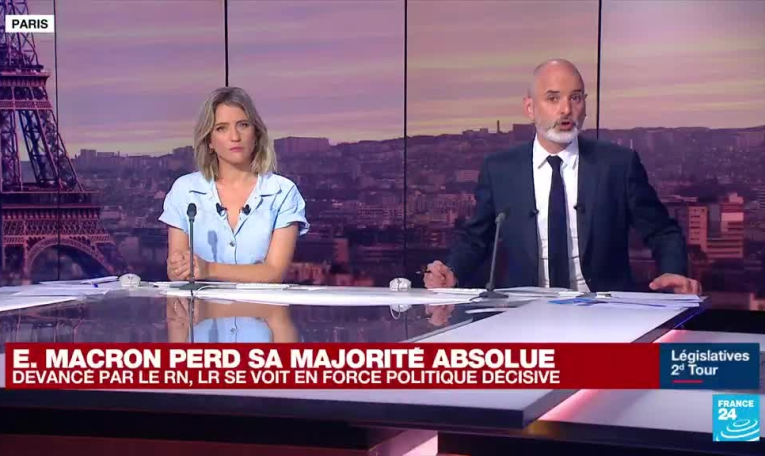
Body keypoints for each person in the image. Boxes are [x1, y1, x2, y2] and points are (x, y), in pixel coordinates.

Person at [425, 59, 701, 295]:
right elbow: (476, 239)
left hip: (604, 311)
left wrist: (673, 271)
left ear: (585, 105)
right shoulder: (500, 170)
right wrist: (453, 272)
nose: (566, 109)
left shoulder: (618, 165)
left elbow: (662, 231)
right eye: (553, 98)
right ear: (530, 108)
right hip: (523, 311)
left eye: (576, 97)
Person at [160, 87, 309, 283]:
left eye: (243, 125)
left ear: (256, 134)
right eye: (221, 128)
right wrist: (178, 269)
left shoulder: (282, 192)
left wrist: (209, 269)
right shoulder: (185, 190)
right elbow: (177, 272)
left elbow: (274, 273)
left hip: (260, 303)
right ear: (209, 141)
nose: (235, 137)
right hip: (199, 304)